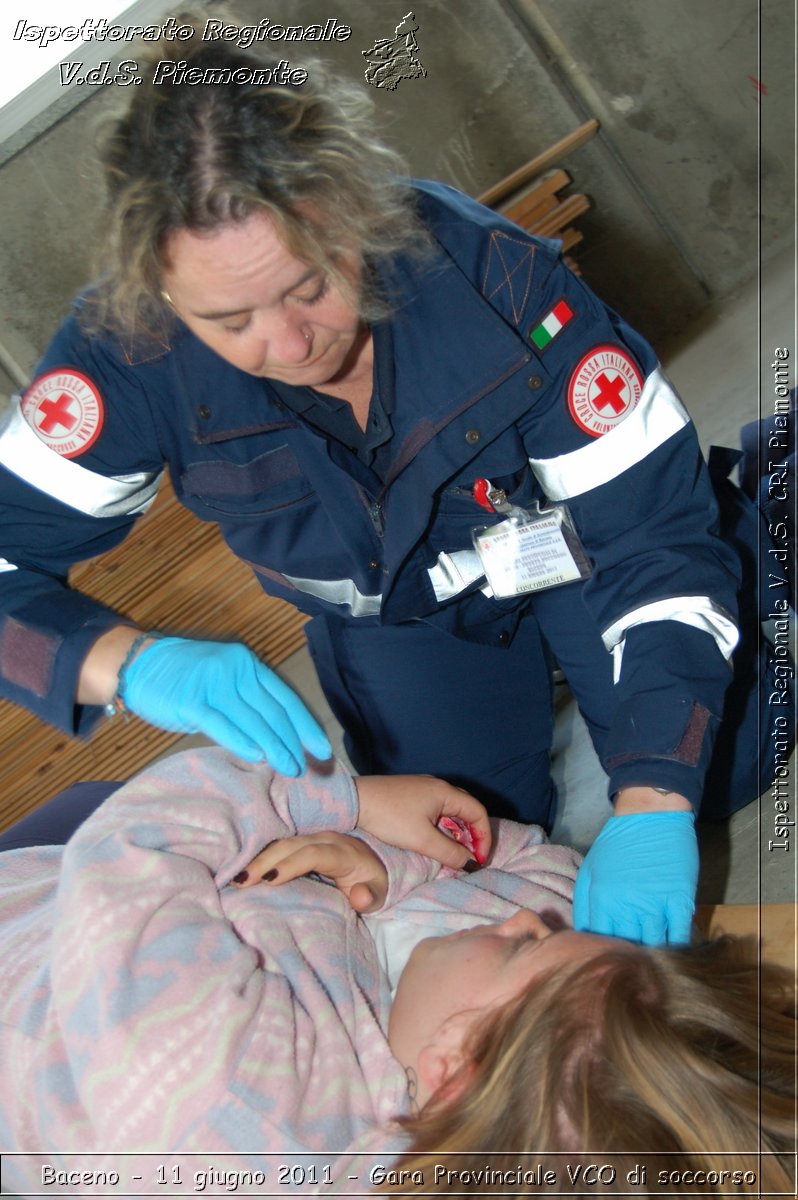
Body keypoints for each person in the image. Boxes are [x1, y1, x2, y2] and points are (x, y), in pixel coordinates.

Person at [0, 20, 790, 945]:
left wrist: (654, 800)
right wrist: (125, 665)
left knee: (722, 755)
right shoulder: (123, 357)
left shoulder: (500, 285)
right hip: (402, 620)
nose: (288, 346)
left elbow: (647, 540)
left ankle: (758, 523)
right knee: (467, 830)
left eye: (307, 287)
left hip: (573, 547)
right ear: (165, 296)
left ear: (351, 213)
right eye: (231, 319)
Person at [0, 748, 793, 1198]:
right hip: (205, 916)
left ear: (449, 1068)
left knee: (91, 797)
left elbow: (137, 842)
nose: (528, 920)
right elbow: (526, 864)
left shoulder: (212, 1094)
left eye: (521, 948)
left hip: (44, 919)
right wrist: (379, 860)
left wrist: (338, 800)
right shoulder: (526, 1048)